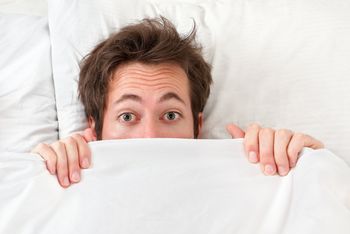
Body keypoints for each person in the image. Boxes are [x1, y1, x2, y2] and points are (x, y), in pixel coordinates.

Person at [32, 17, 324, 188]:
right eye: (127, 116)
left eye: (170, 115)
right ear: (93, 130)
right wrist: (38, 177)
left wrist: (309, 164)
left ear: (198, 126)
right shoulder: (60, 184)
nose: (150, 138)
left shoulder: (248, 181)